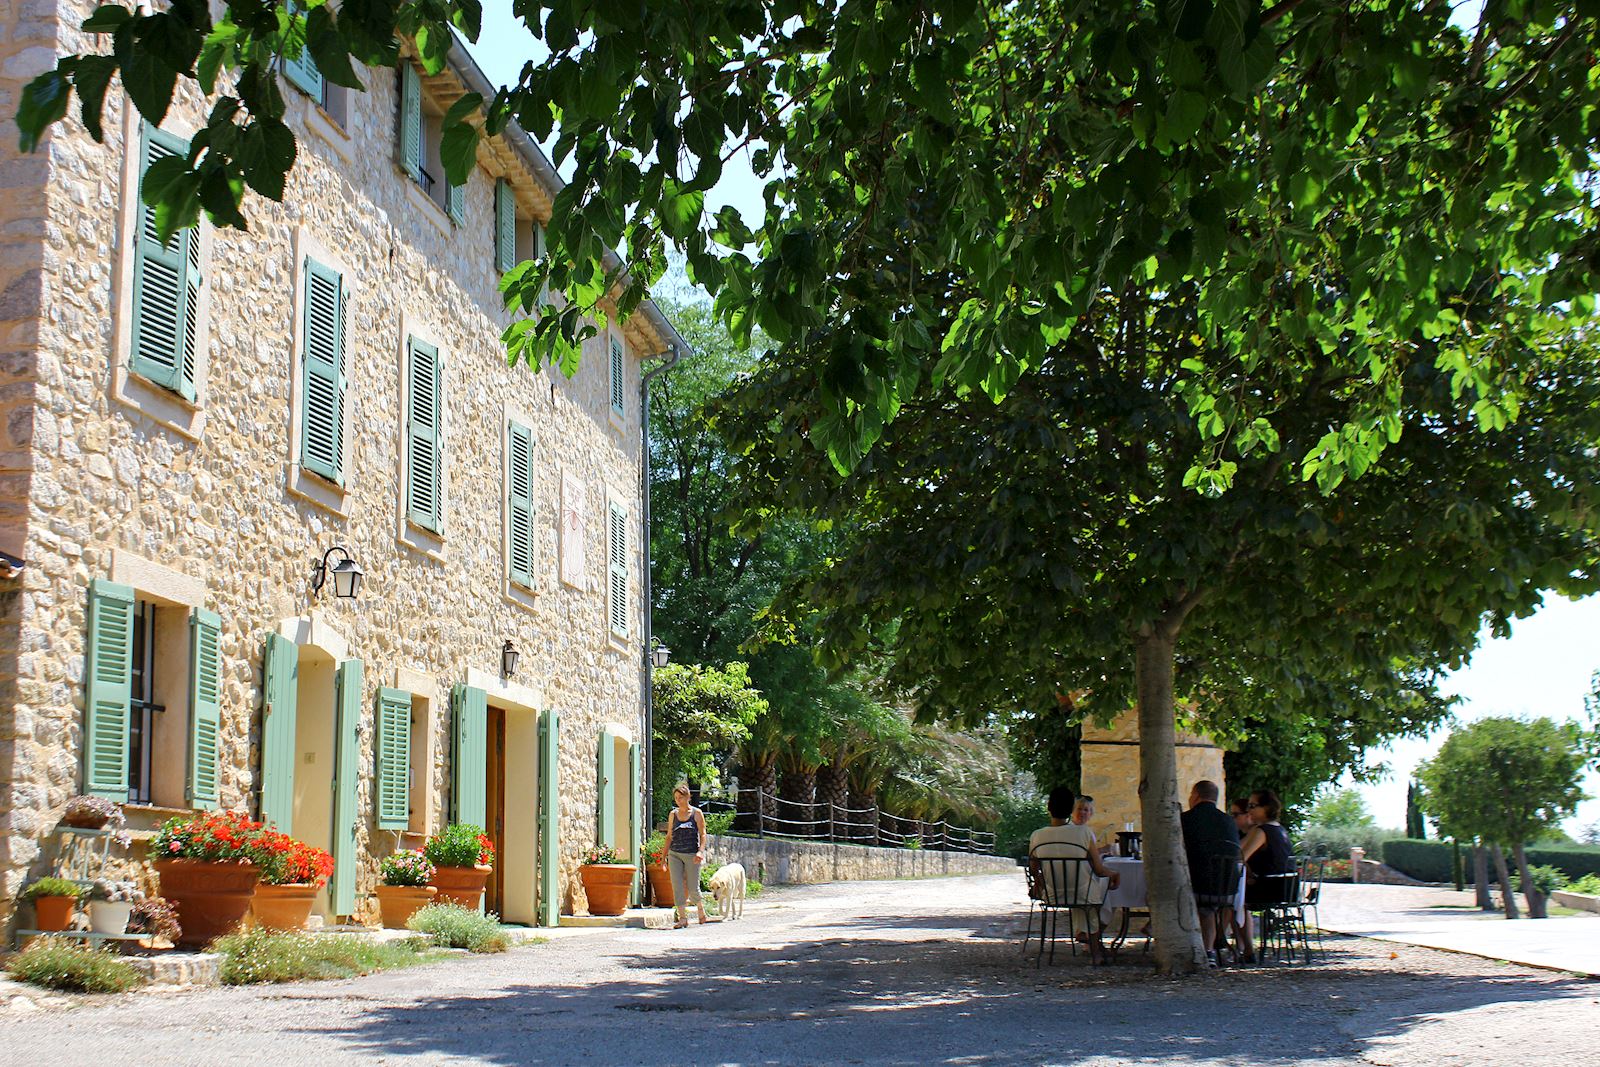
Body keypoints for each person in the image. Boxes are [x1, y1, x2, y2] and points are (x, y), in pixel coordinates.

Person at [1029, 786, 1121, 963]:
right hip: (1082, 894)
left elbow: (1034, 868)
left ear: (1048, 807)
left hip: (1052, 894)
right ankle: (1095, 953)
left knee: (1086, 890)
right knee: (1091, 895)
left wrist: (1039, 883)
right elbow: (1099, 869)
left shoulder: (1037, 836)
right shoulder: (1084, 832)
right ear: (1071, 809)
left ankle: (1081, 935)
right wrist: (1114, 873)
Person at [1179, 780, 1240, 967]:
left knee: (1177, 894)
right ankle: (1209, 950)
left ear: (1195, 796)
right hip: (1227, 888)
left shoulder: (1185, 819)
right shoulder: (1229, 821)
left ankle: (1186, 947)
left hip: (1198, 885)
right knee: (1209, 908)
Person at [1237, 788, 1293, 961]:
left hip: (1268, 889)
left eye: (1253, 806)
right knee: (1237, 897)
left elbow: (1239, 855)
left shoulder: (1262, 830)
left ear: (1266, 808)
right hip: (1288, 889)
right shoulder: (1280, 829)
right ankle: (1231, 945)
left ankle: (1245, 949)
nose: (1249, 810)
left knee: (1233, 899)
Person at [666, 782, 709, 928]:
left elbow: (703, 834)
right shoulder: (673, 814)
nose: (678, 801)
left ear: (688, 797)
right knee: (676, 885)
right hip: (675, 854)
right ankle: (683, 918)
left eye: (681, 797)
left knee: (692, 887)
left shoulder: (697, 814)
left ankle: (701, 910)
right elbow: (669, 836)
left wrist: (700, 851)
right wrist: (663, 856)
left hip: (692, 854)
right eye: (676, 798)